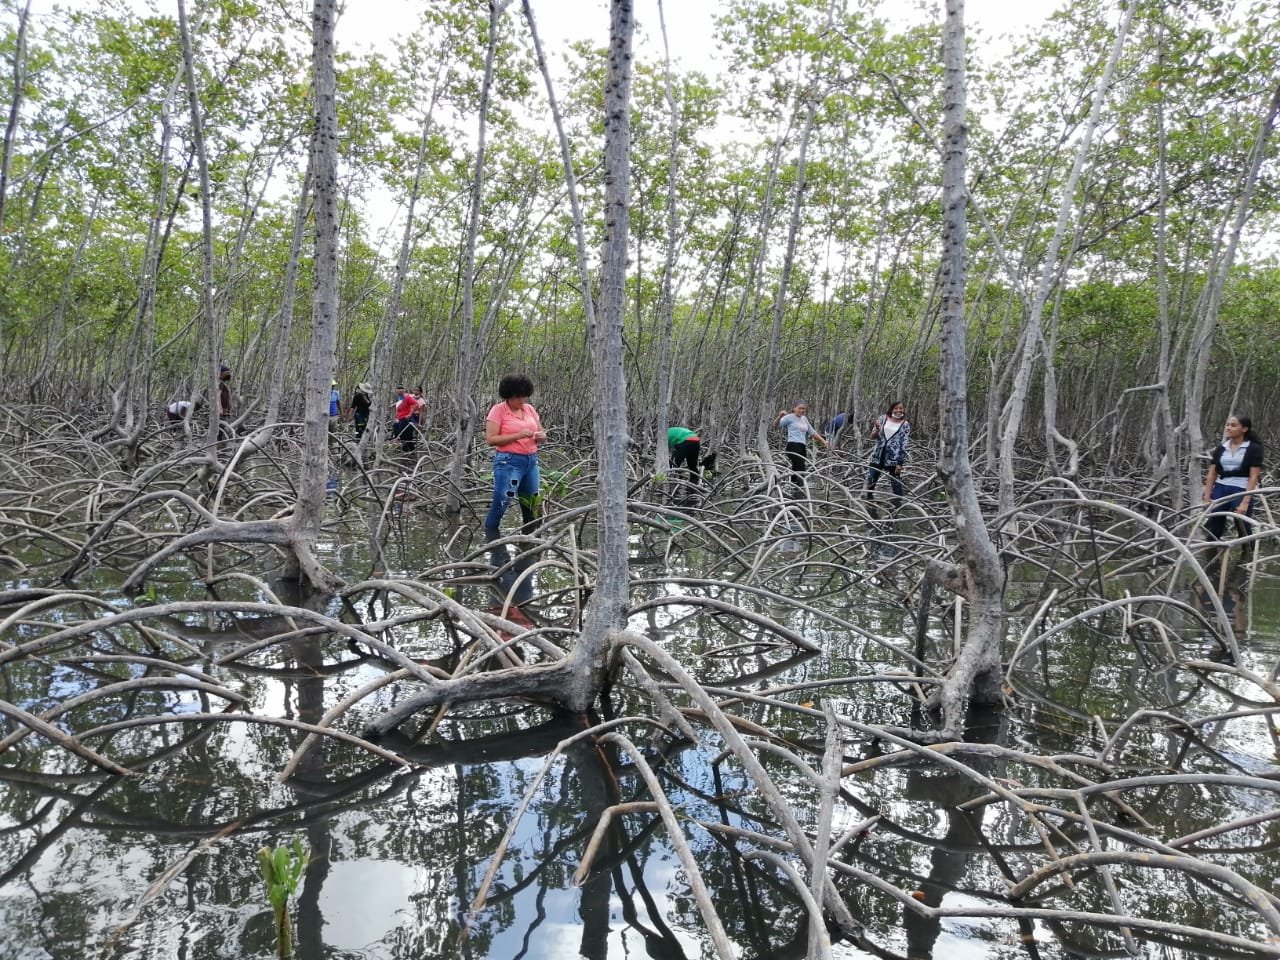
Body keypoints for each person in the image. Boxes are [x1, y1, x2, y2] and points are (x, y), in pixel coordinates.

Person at [484, 373, 546, 546]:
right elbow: (491, 439)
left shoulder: (529, 409)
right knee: (502, 503)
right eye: (518, 396)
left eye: (524, 396)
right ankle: (491, 544)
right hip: (508, 463)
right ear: (508, 395)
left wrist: (541, 436)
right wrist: (518, 435)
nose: (522, 400)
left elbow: (542, 433)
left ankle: (529, 545)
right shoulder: (498, 410)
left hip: (530, 463)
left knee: (531, 504)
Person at [1202, 414, 1263, 543]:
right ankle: (1211, 553)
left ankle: (1248, 556)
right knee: (1214, 526)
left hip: (1242, 489)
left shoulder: (1253, 449)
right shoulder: (1221, 448)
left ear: (1244, 429)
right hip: (1221, 488)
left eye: (1233, 425)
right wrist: (1207, 497)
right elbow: (1212, 474)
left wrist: (1245, 502)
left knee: (1243, 526)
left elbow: (1253, 476)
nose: (1228, 428)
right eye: (1227, 425)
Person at [865, 400, 910, 507]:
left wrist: (900, 463)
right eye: (896, 408)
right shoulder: (882, 418)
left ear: (903, 410)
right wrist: (876, 429)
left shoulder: (905, 424)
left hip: (893, 458)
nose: (898, 410)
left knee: (896, 485)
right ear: (891, 409)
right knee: (870, 482)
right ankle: (869, 507)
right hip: (877, 456)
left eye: (901, 408)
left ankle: (898, 508)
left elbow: (904, 444)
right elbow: (872, 437)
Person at [773, 401, 827, 489]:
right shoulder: (789, 417)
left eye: (803, 409)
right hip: (792, 446)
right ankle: (802, 489)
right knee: (801, 468)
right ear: (794, 408)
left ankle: (793, 488)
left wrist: (823, 441)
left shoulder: (804, 419)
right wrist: (780, 416)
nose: (802, 410)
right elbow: (775, 425)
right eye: (800, 408)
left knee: (796, 467)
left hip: (802, 447)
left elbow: (812, 431)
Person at [394, 386, 423, 453]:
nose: (398, 392)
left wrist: (410, 414)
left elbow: (416, 404)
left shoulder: (407, 397)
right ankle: (411, 456)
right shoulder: (399, 398)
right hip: (400, 419)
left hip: (406, 420)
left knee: (407, 439)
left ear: (403, 391)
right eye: (397, 390)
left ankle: (411, 456)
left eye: (400, 391)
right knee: (405, 439)